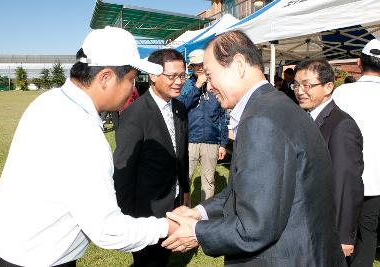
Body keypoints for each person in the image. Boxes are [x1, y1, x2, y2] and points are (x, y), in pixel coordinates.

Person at [0, 26, 178, 267]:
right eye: (131, 79)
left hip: (12, 246)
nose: (132, 89)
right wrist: (166, 226)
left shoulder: (50, 100)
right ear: (105, 78)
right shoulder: (82, 131)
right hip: (38, 257)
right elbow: (107, 229)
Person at [162, 30, 346, 266]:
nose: (208, 85)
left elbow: (254, 227)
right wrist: (199, 212)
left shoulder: (262, 120)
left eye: (210, 74)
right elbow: (247, 190)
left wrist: (197, 231)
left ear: (238, 64)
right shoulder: (274, 106)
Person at [113, 49, 189, 267]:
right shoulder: (135, 113)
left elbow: (180, 157)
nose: (179, 82)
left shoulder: (180, 109)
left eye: (182, 75)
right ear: (154, 75)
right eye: (172, 76)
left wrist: (184, 193)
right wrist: (125, 218)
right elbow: (123, 169)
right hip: (145, 210)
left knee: (163, 258)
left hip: (173, 204)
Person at [293, 59, 364, 261]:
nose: (300, 91)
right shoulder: (306, 117)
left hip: (327, 227)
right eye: (296, 85)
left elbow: (348, 183)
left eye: (307, 85)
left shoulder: (341, 125)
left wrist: (344, 235)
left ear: (328, 87)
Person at [333, 38, 380, 267]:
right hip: (376, 183)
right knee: (367, 234)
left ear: (359, 63)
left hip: (343, 179)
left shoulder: (342, 93)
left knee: (338, 236)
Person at [178, 49, 228, 204]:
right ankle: (183, 211)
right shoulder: (186, 85)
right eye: (196, 64)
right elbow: (179, 107)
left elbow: (222, 116)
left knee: (209, 181)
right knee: (184, 180)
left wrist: (223, 143)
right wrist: (197, 85)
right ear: (191, 67)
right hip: (190, 140)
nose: (200, 67)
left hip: (211, 140)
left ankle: (205, 217)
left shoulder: (217, 85)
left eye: (202, 63)